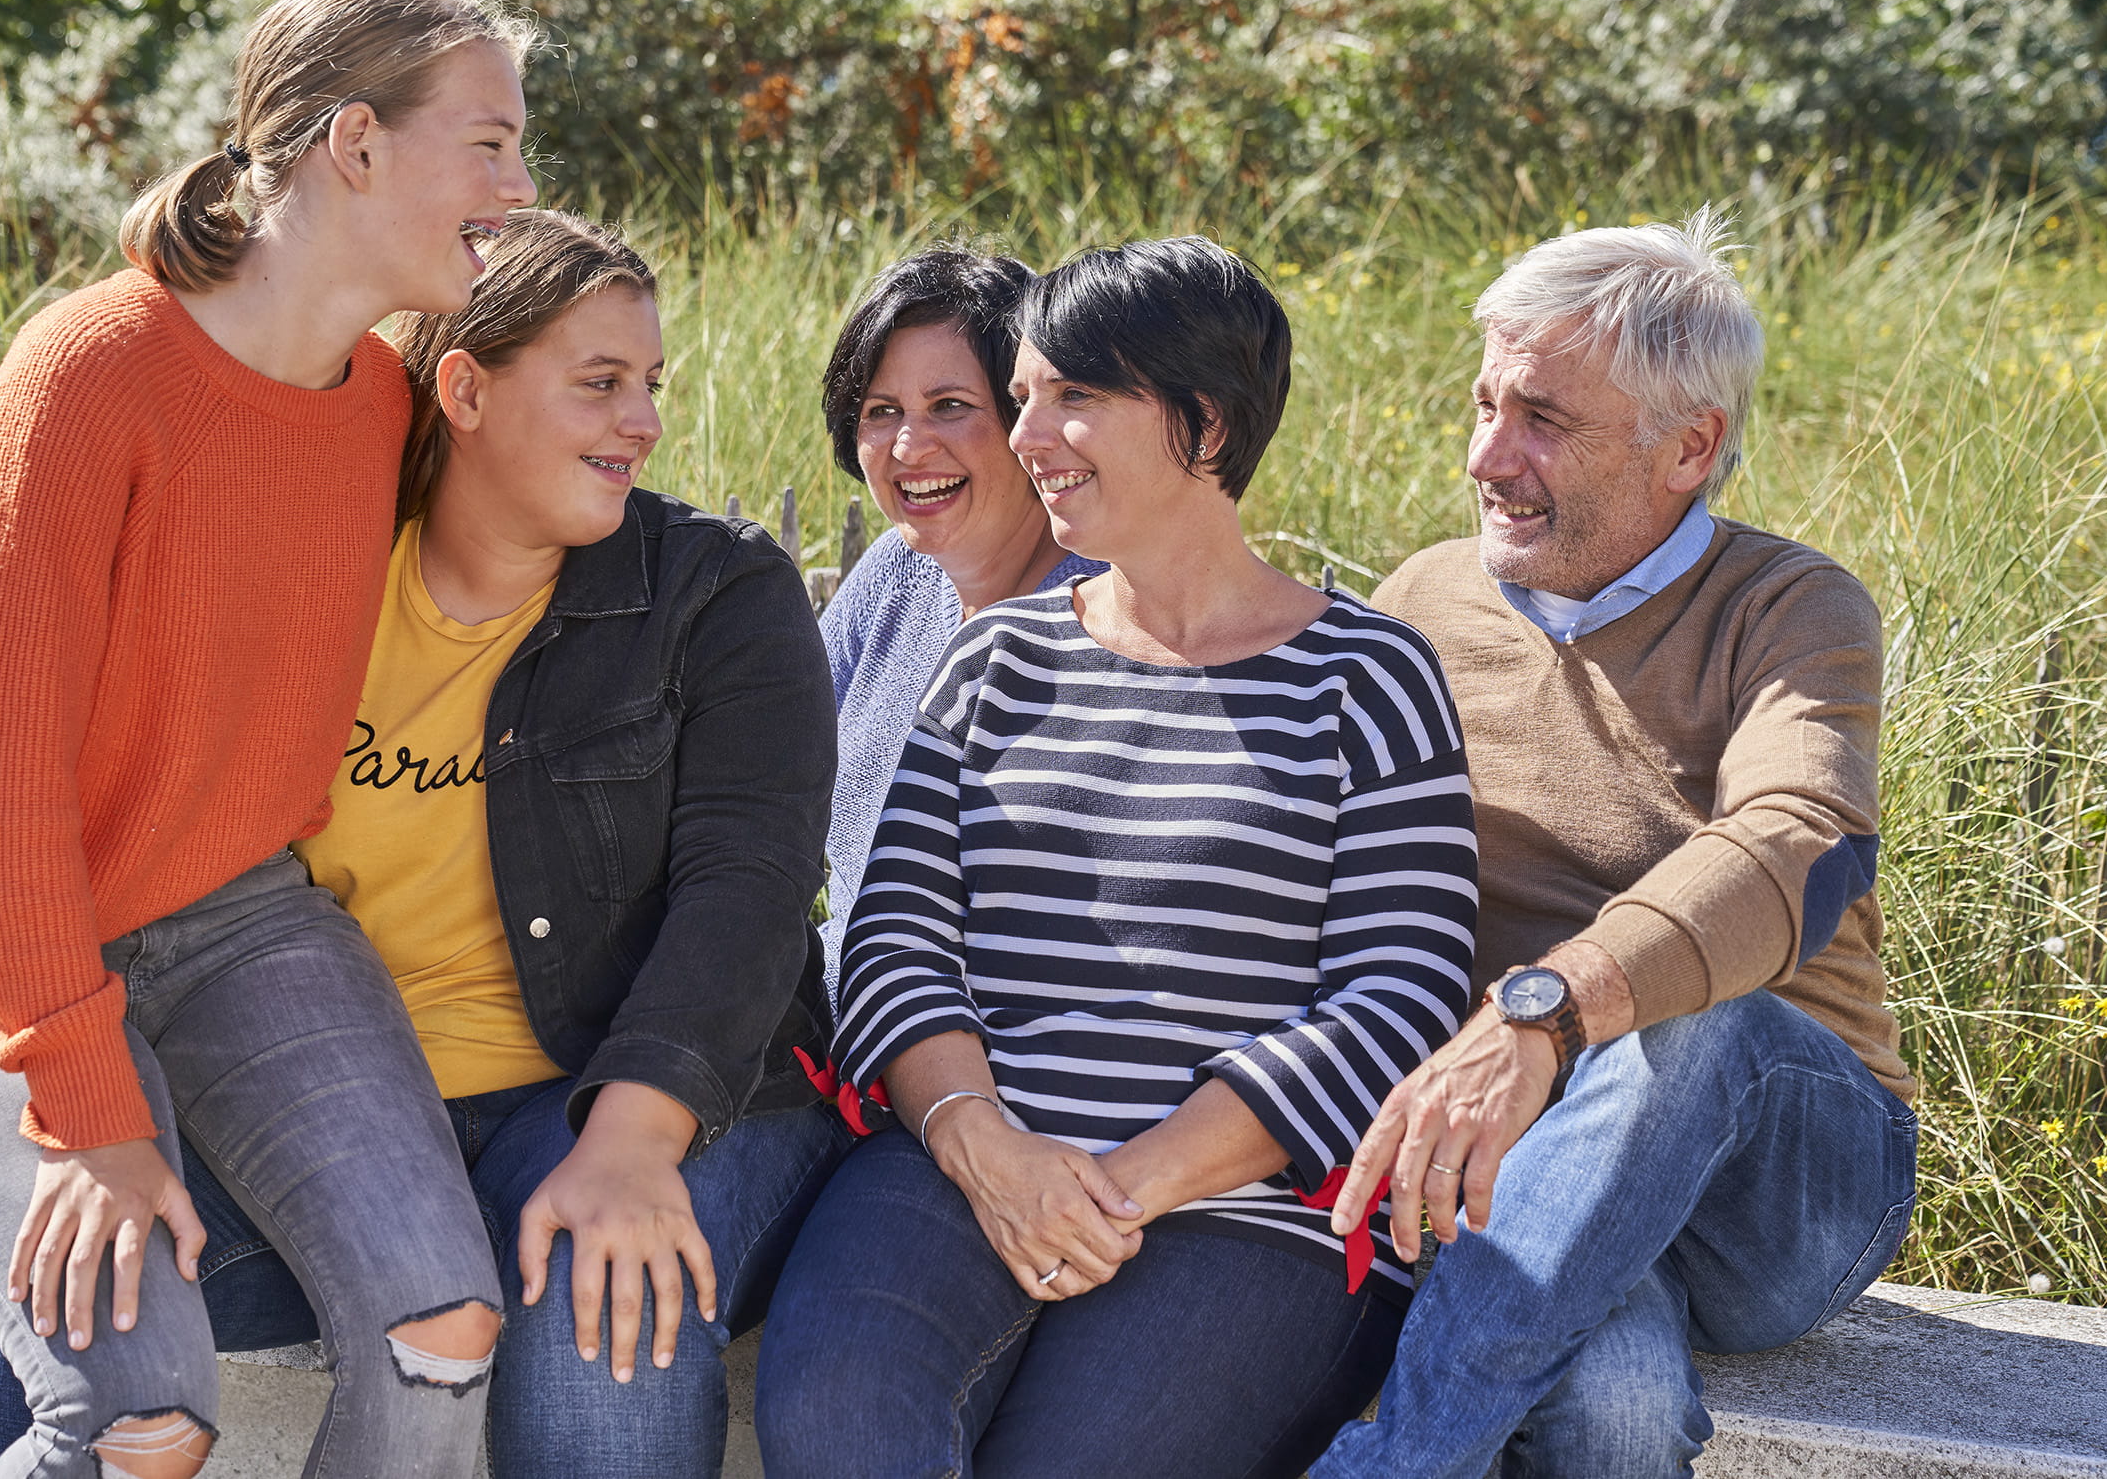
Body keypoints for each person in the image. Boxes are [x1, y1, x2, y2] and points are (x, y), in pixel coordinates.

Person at [0, 210, 853, 1478]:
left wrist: (630, 1142)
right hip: (346, 1112)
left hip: (641, 1091)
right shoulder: (312, 565)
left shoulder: (715, 593)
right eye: (599, 383)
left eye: (651, 384)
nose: (642, 421)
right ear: (465, 387)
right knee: (77, 1273)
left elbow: (748, 892)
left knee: (605, 1305)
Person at [0, 0, 538, 1478]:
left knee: (443, 1327)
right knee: (141, 1419)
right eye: (488, 141)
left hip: (239, 924)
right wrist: (89, 1111)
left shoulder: (380, 402)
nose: (518, 183)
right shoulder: (92, 370)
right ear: (354, 143)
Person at [757, 237, 1480, 1479]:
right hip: (959, 1168)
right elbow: (892, 937)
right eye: (1026, 394)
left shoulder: (1368, 676)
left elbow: (1397, 996)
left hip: (1246, 1216)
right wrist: (987, 1147)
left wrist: (1127, 1183)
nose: (1028, 433)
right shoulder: (993, 662)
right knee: (835, 1423)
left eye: (1071, 397)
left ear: (1202, 421)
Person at [1310, 210, 1917, 1479]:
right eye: (1481, 404)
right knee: (1614, 1399)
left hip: (1781, 1179)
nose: (1487, 454)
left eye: (1542, 418)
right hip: (1532, 1169)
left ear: (1687, 445)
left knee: (1682, 1020)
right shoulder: (1417, 603)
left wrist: (1542, 1010)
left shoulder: (1790, 609)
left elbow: (1796, 840)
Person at [815, 245, 1103, 1002]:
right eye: (881, 413)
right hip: (837, 1037)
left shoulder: (1113, 609)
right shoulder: (890, 577)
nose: (910, 448)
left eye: (950, 406)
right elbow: (766, 783)